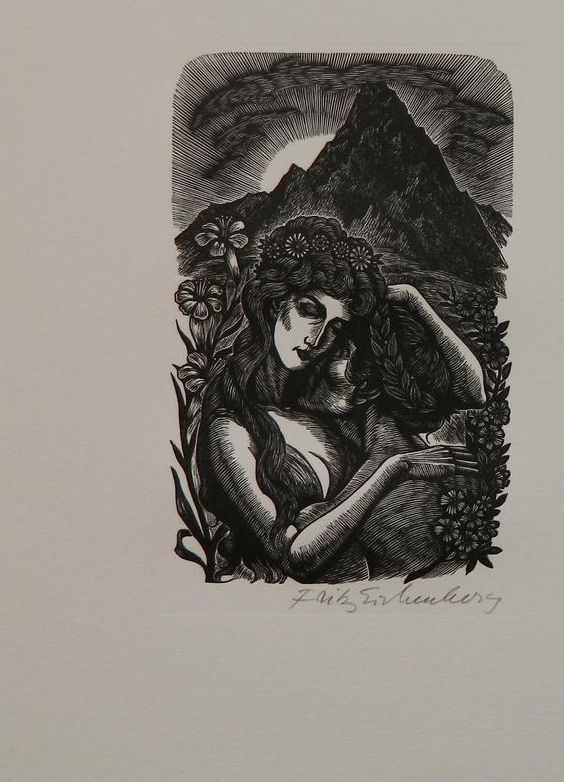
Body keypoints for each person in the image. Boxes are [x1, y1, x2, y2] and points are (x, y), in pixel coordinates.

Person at [197, 215, 487, 582]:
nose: (317, 339)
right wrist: (393, 470)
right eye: (309, 311)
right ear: (273, 303)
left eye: (335, 325)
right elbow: (292, 556)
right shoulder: (230, 430)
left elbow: (474, 393)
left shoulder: (328, 389)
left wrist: (412, 299)